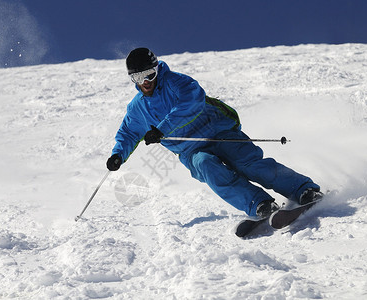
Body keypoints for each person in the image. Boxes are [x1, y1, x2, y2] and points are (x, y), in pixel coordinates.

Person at [107, 47, 322, 220]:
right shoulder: (138, 108)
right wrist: (118, 155)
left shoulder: (176, 82)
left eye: (149, 74)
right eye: (137, 78)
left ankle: (302, 189)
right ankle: (260, 204)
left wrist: (162, 129)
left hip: (217, 130)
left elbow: (191, 102)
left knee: (249, 164)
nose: (145, 82)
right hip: (190, 149)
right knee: (206, 166)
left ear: (157, 69)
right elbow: (128, 132)